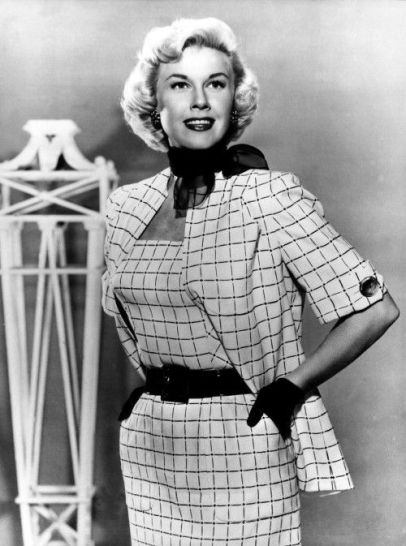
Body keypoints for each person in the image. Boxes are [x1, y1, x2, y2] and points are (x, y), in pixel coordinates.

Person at [102, 17, 399, 546]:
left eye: (215, 84)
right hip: (152, 447)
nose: (200, 101)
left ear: (233, 102)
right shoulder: (126, 206)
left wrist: (291, 387)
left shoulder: (268, 196)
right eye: (180, 85)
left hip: (243, 440)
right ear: (154, 105)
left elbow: (376, 309)